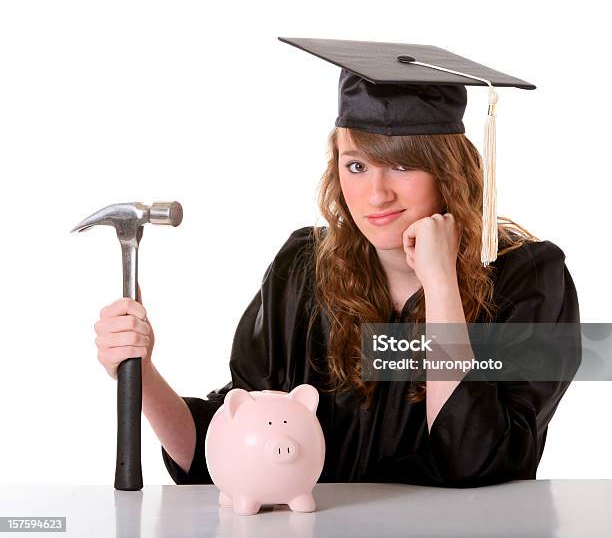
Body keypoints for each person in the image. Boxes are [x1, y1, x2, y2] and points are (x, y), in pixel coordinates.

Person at [93, 38, 581, 488]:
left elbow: (473, 458)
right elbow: (230, 451)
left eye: (403, 164)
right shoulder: (303, 269)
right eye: (357, 165)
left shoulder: (528, 278)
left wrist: (440, 285)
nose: (376, 194)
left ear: (449, 171)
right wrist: (141, 372)